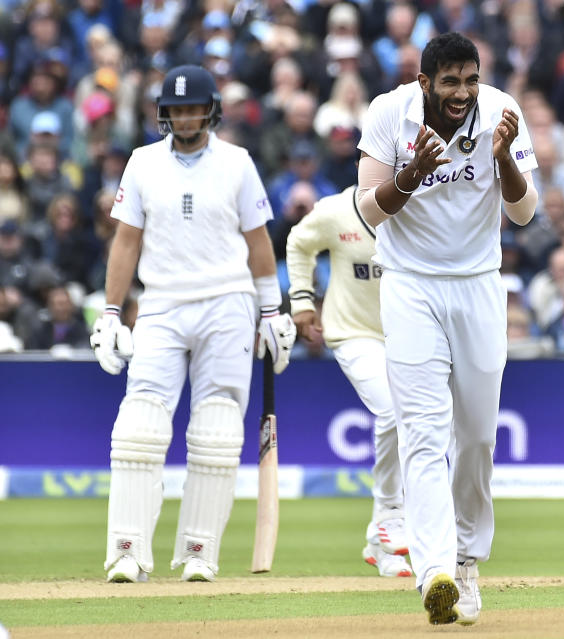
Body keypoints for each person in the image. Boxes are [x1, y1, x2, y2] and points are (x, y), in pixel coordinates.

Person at [355, 32, 538, 626]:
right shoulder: (389, 113)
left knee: (478, 436)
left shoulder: (502, 114)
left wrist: (503, 156)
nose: (462, 93)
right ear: (424, 83)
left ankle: (466, 558)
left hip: (480, 283)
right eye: (450, 81)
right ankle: (435, 571)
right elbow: (365, 209)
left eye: (470, 79)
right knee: (424, 432)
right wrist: (408, 177)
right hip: (409, 284)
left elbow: (525, 212)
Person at [90, 65, 295, 584]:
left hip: (228, 302)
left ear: (211, 110)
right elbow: (127, 242)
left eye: (192, 107)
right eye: (175, 108)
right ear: (163, 112)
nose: (183, 117)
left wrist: (271, 311)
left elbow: (258, 243)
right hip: (161, 303)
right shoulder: (141, 163)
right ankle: (127, 551)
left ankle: (199, 552)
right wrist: (112, 311)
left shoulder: (237, 163)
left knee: (218, 429)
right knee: (138, 426)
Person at [285, 184, 411, 578]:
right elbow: (299, 242)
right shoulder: (336, 210)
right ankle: (391, 514)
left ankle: (380, 541)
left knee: (419, 427)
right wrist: (303, 301)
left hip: (410, 336)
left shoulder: (424, 205)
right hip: (353, 332)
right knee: (393, 412)